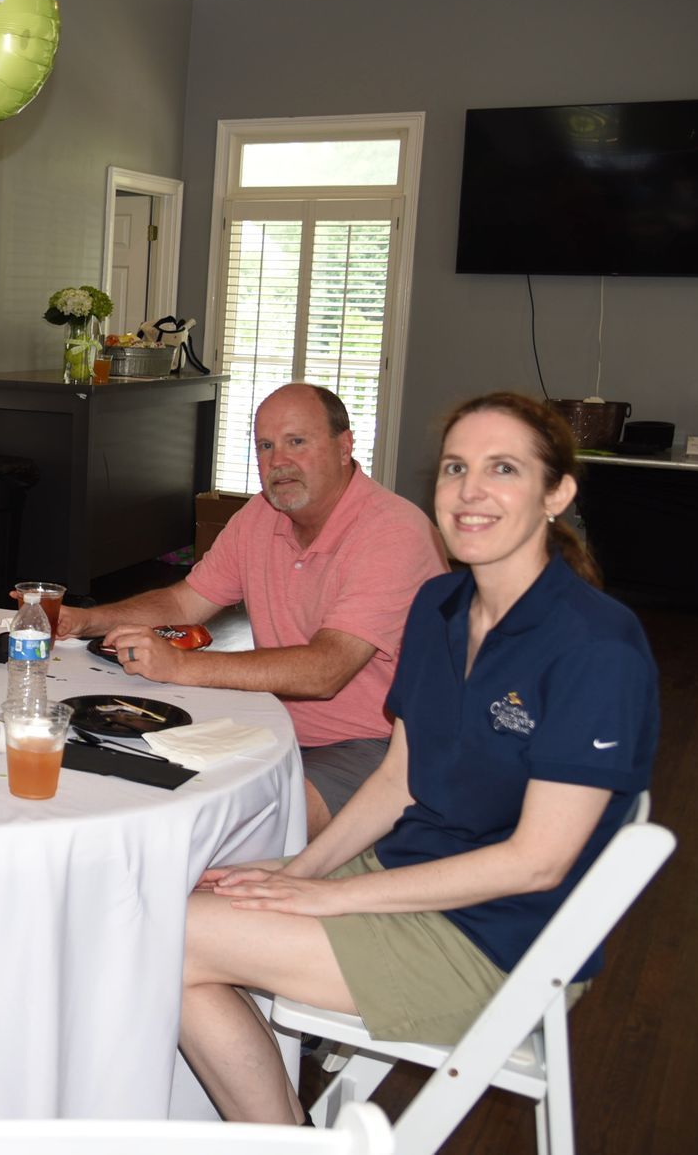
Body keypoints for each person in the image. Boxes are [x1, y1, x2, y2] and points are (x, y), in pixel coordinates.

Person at [177, 392, 659, 1125]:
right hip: (413, 872)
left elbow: (535, 863)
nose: (470, 491)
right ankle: (290, 1140)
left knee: (166, 937)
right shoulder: (439, 606)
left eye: (503, 469)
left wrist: (332, 895)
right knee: (188, 905)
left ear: (556, 493)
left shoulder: (595, 647)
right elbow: (399, 778)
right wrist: (299, 870)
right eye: (456, 467)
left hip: (501, 938)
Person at [60, 384, 445, 835]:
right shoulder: (260, 516)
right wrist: (84, 620)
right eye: (265, 445)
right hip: (267, 726)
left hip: (375, 744)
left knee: (246, 835)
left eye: (297, 441)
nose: (278, 460)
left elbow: (326, 670)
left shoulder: (392, 533)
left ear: (345, 447)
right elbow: (182, 601)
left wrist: (181, 666)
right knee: (120, 787)